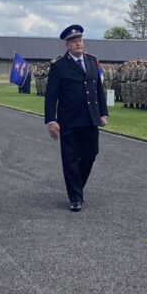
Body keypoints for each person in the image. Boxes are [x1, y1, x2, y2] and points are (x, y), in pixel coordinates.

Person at [45, 24, 108, 212]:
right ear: (67, 45)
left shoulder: (92, 61)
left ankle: (77, 185)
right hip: (69, 120)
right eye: (74, 41)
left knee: (90, 155)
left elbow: (98, 90)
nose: (78, 43)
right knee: (71, 158)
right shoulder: (59, 65)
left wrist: (103, 113)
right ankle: (75, 197)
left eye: (80, 40)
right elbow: (51, 95)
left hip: (90, 119)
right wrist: (51, 120)